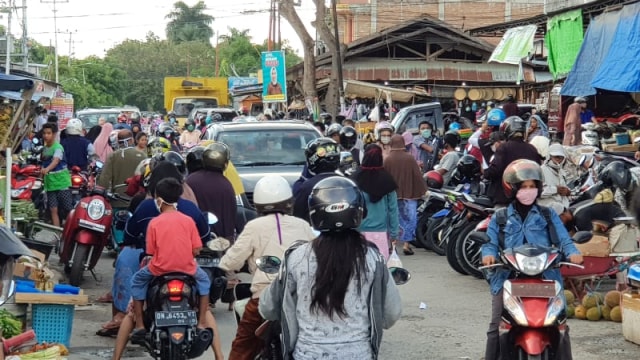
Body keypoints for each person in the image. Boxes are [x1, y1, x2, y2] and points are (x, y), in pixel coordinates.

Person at [259, 176, 402, 359]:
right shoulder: (373, 259)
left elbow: (268, 308)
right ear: (359, 211)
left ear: (314, 213)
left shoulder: (296, 257)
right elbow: (391, 314)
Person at [481, 159, 582, 360]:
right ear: (512, 188)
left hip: (546, 276)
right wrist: (488, 255)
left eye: (532, 186)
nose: (529, 191)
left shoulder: (548, 214)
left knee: (560, 325)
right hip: (508, 277)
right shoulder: (500, 217)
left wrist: (573, 251)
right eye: (524, 187)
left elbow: (564, 239)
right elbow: (490, 243)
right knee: (496, 325)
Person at [220, 175, 316, 360]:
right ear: (289, 202)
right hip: (301, 298)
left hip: (264, 299)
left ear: (257, 205)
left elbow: (230, 262)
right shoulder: (303, 225)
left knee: (243, 345)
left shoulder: (254, 226)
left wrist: (227, 267)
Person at [129, 178, 212, 343]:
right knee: (204, 282)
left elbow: (150, 252)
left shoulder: (154, 223)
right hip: (187, 269)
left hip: (159, 269)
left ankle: (139, 325)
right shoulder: (188, 221)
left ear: (158, 199)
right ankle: (202, 321)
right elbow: (197, 248)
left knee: (137, 281)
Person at [352, 144, 399, 261]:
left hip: (357, 231)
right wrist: (394, 233)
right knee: (379, 267)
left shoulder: (355, 179)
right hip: (380, 233)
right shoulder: (387, 180)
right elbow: (393, 209)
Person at [383, 134, 427, 255]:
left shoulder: (388, 159)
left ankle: (393, 245)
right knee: (410, 218)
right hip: (410, 194)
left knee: (393, 220)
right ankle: (407, 245)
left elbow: (384, 178)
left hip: (392, 195)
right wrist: (423, 189)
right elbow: (417, 176)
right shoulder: (409, 158)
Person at [483, 116, 541, 206]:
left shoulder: (504, 148)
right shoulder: (532, 149)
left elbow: (495, 170)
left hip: (505, 198)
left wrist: (486, 173)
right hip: (528, 199)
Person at [185, 143, 236, 239]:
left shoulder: (190, 180)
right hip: (219, 241)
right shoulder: (226, 185)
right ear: (225, 164)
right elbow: (229, 219)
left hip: (194, 237)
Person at [292, 138, 341, 223]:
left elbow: (297, 214)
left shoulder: (306, 186)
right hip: (346, 233)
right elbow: (363, 212)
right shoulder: (349, 182)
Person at [97, 130, 147, 209]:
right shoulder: (143, 156)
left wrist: (100, 194)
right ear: (131, 140)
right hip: (138, 200)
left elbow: (105, 179)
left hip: (117, 199)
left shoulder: (113, 156)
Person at [40, 122, 72, 227]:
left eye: (48, 133)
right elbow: (44, 163)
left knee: (68, 209)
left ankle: (69, 231)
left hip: (62, 183)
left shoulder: (58, 147)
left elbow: (56, 161)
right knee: (53, 209)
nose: (46, 135)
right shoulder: (44, 149)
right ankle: (56, 232)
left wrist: (47, 169)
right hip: (50, 185)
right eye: (44, 133)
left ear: (54, 134)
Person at [539, 144, 571, 214]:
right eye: (556, 157)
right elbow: (538, 192)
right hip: (547, 210)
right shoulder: (541, 170)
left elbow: (564, 188)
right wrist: (555, 190)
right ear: (549, 156)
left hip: (563, 209)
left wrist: (567, 192)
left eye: (561, 157)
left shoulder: (561, 172)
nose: (559, 160)